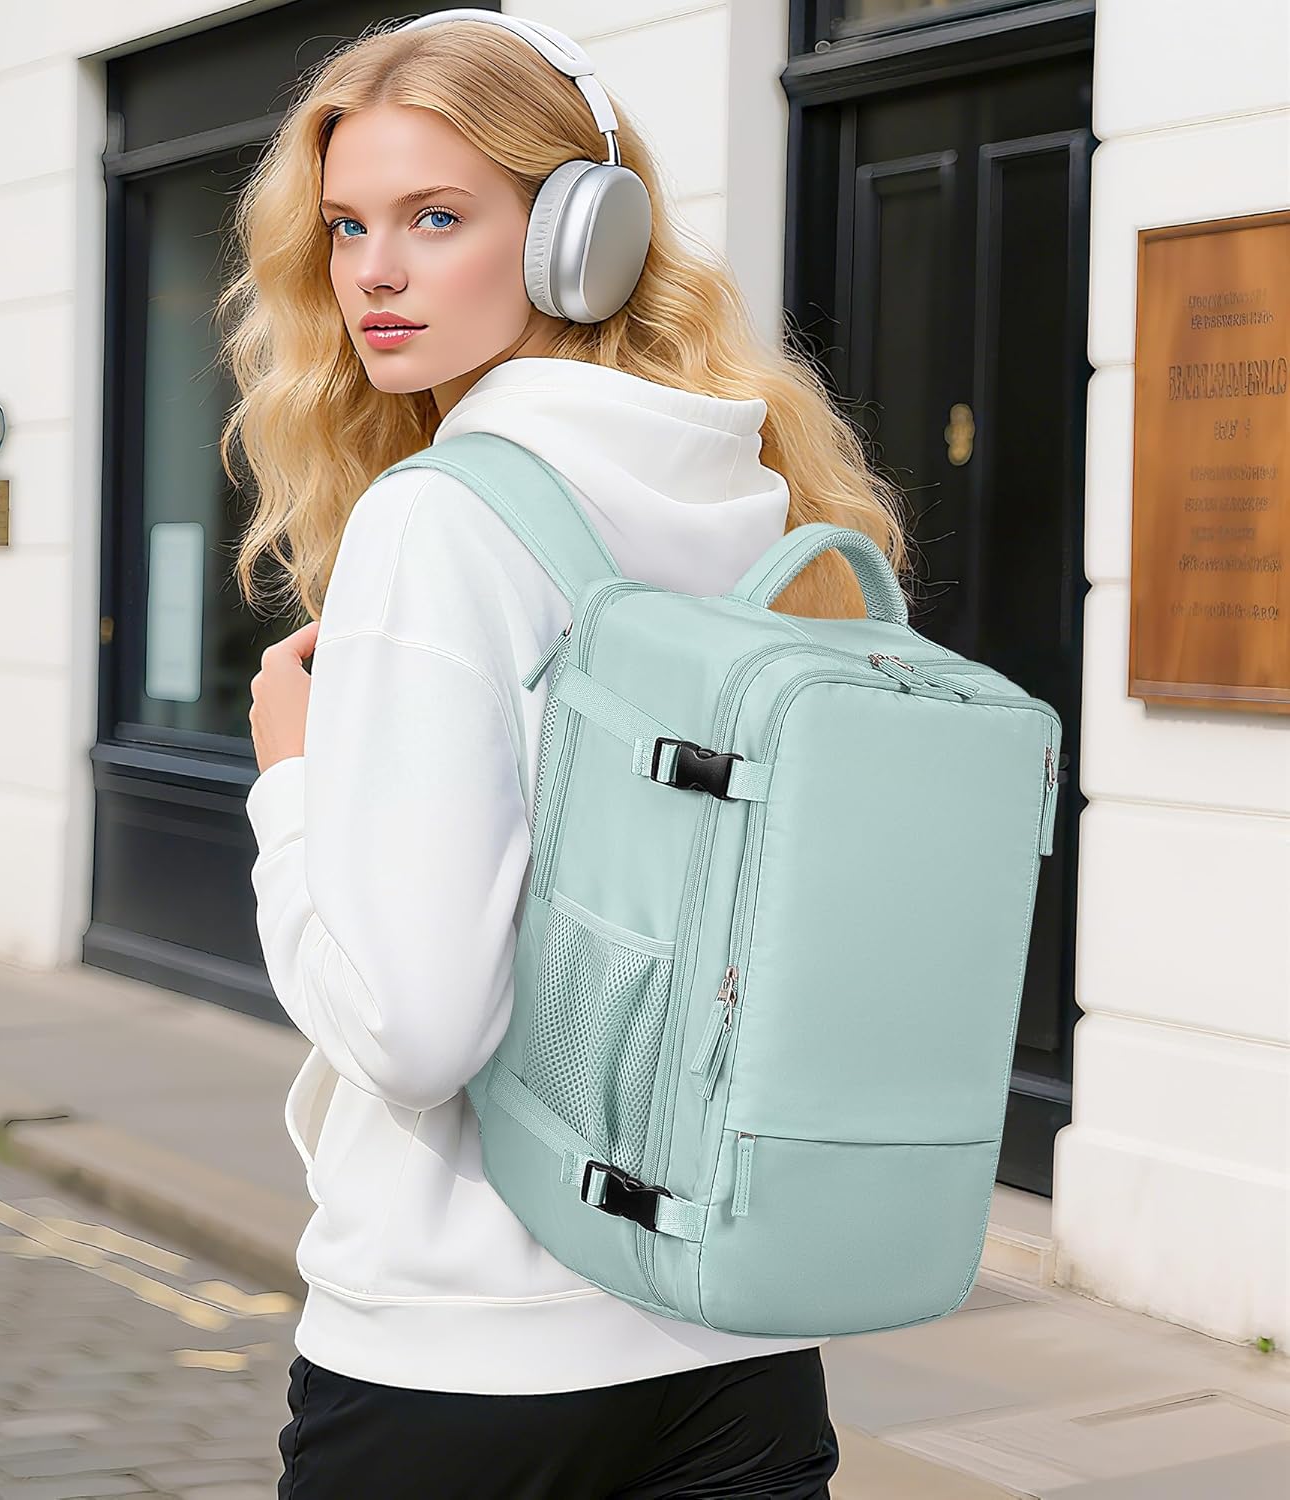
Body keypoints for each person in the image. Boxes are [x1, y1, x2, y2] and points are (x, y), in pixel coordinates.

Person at [216, 12, 910, 1498]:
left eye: (437, 217)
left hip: (473, 1351)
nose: (373, 273)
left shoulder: (440, 516)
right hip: (734, 1333)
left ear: (578, 235)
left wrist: (290, 788)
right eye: (346, 226)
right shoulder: (749, 494)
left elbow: (416, 1033)